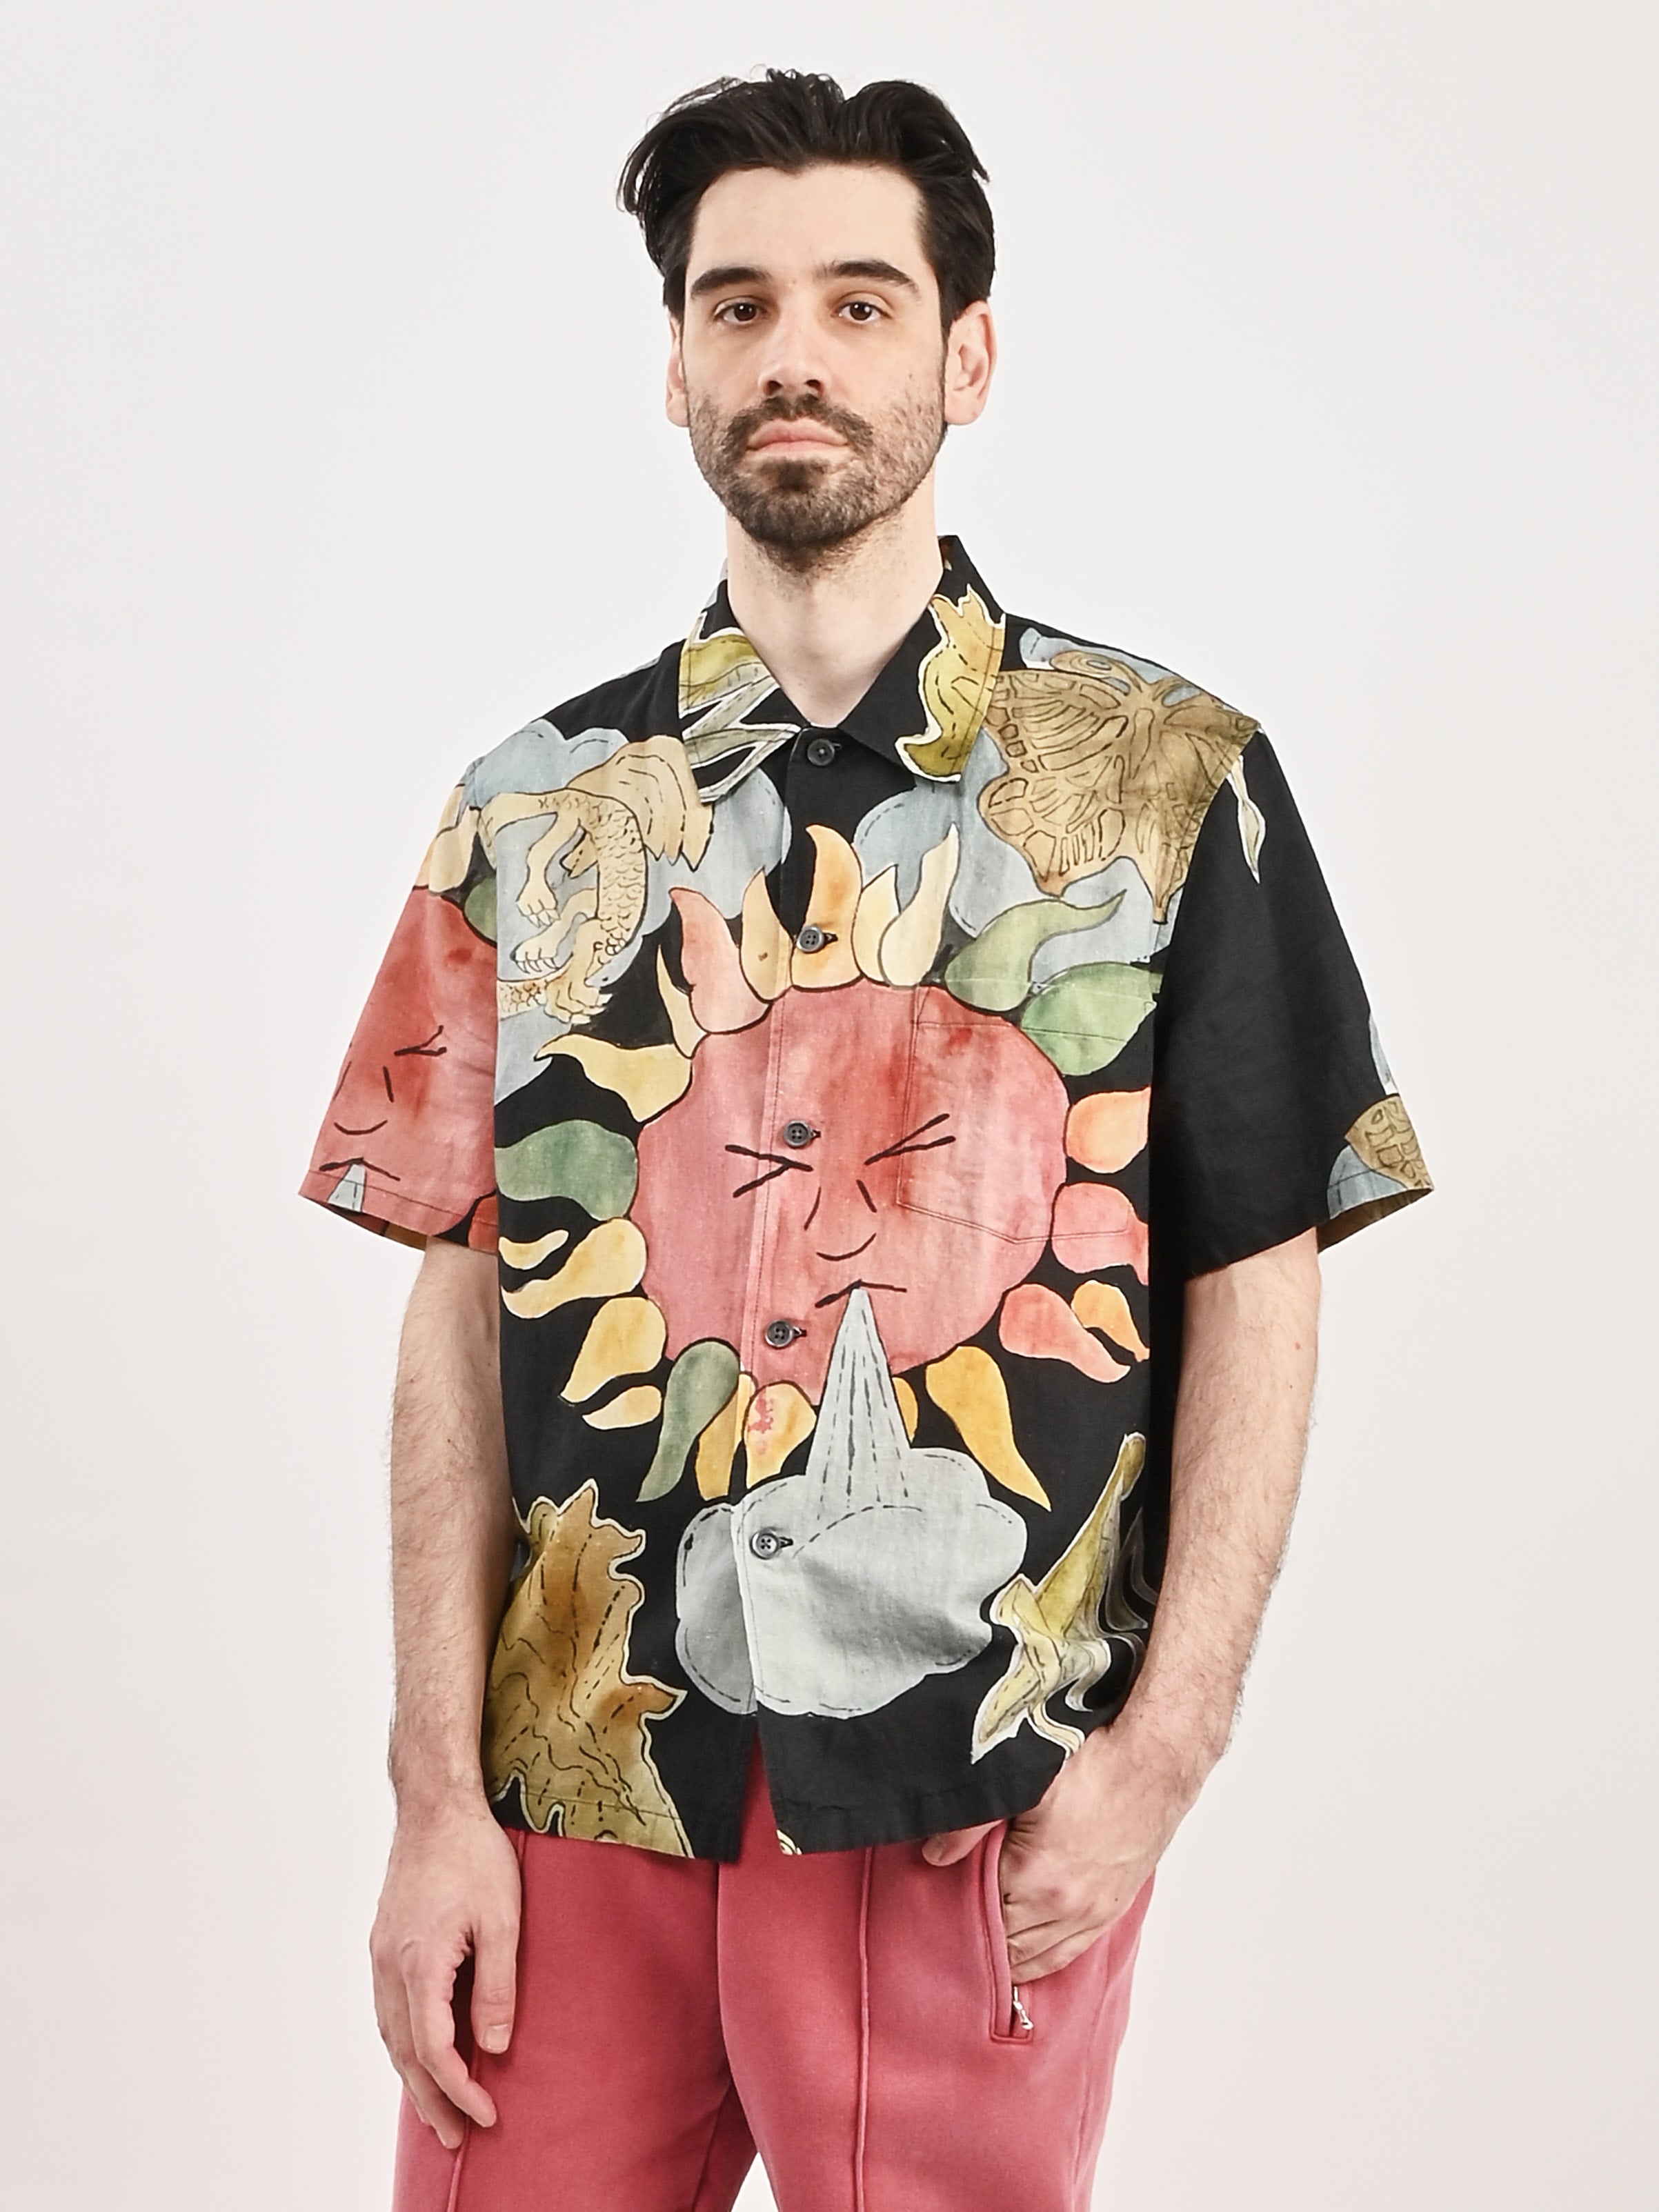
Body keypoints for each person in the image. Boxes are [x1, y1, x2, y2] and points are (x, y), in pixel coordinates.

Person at [301, 68, 1431, 2212]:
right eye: (736, 307)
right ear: (677, 367)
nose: (792, 355)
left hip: (971, 1795)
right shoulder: (533, 813)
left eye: (859, 302)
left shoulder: (1171, 782)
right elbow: (456, 1311)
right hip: (582, 1786)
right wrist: (431, 1793)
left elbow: (1258, 1277)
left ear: (965, 356)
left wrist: (1164, 1753)